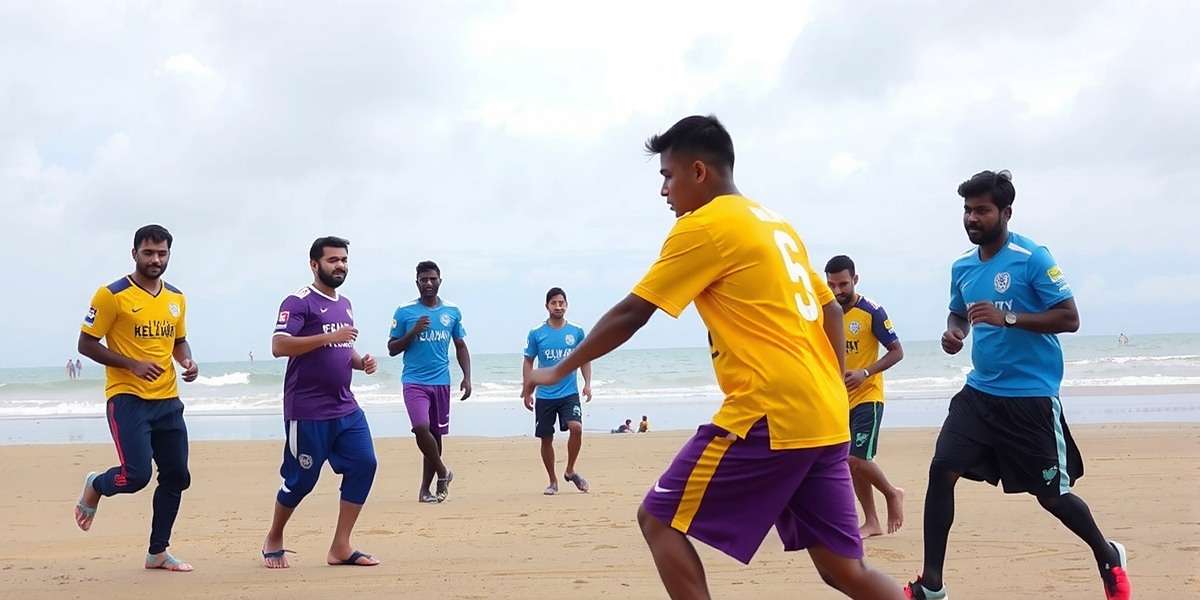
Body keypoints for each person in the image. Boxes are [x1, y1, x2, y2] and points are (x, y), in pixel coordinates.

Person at [524, 115, 903, 599]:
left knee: (658, 520)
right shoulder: (774, 223)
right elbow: (829, 309)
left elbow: (634, 312)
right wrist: (827, 379)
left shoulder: (704, 226)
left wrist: (560, 367)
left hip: (771, 410)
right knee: (845, 570)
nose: (663, 190)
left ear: (699, 171)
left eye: (667, 175)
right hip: (827, 414)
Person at [905, 171, 1130, 600]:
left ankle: (1107, 556)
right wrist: (955, 334)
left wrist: (1008, 317)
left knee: (1052, 497)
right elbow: (959, 313)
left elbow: (1070, 318)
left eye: (982, 210)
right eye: (967, 210)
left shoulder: (1033, 258)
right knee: (941, 469)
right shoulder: (963, 267)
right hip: (979, 395)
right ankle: (931, 585)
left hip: (1030, 399)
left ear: (1005, 213)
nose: (972, 218)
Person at [73, 224, 199, 572]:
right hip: (127, 399)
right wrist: (132, 365)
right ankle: (96, 485)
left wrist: (187, 360)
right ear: (134, 254)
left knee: (176, 476)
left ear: (169, 255)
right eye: (148, 253)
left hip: (168, 401)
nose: (155, 259)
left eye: (162, 253)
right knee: (137, 476)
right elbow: (86, 344)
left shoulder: (176, 298)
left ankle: (157, 552)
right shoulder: (111, 295)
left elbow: (178, 341)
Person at [261, 236, 380, 569]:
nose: (340, 265)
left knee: (365, 464)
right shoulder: (299, 302)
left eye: (344, 260)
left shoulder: (345, 304)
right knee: (302, 481)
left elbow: (341, 349)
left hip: (346, 407)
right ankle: (274, 536)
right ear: (315, 264)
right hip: (307, 411)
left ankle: (341, 546)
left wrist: (360, 362)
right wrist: (330, 337)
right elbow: (280, 346)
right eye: (333, 260)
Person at [825, 255, 906, 539]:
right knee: (853, 463)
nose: (837, 291)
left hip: (868, 396)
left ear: (855, 280)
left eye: (843, 284)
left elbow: (897, 351)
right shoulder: (824, 313)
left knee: (855, 460)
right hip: (837, 399)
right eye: (831, 284)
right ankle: (871, 521)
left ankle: (892, 493)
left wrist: (865, 372)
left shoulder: (872, 311)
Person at [388, 261, 471, 503]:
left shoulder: (452, 311)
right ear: (417, 283)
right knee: (421, 428)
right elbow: (392, 348)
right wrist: (413, 331)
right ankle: (444, 472)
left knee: (435, 435)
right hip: (414, 381)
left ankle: (426, 489)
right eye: (423, 279)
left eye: (432, 279)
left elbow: (461, 346)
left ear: (439, 281)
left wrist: (467, 377)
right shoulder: (404, 311)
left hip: (441, 382)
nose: (428, 283)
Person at [522, 287, 593, 495]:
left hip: (569, 393)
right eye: (554, 303)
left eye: (561, 303)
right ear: (547, 306)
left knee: (576, 428)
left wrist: (587, 384)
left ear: (567, 305)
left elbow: (585, 359)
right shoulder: (537, 333)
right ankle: (553, 481)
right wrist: (527, 390)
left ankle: (570, 471)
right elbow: (528, 361)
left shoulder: (576, 332)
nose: (558, 306)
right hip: (545, 394)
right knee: (546, 438)